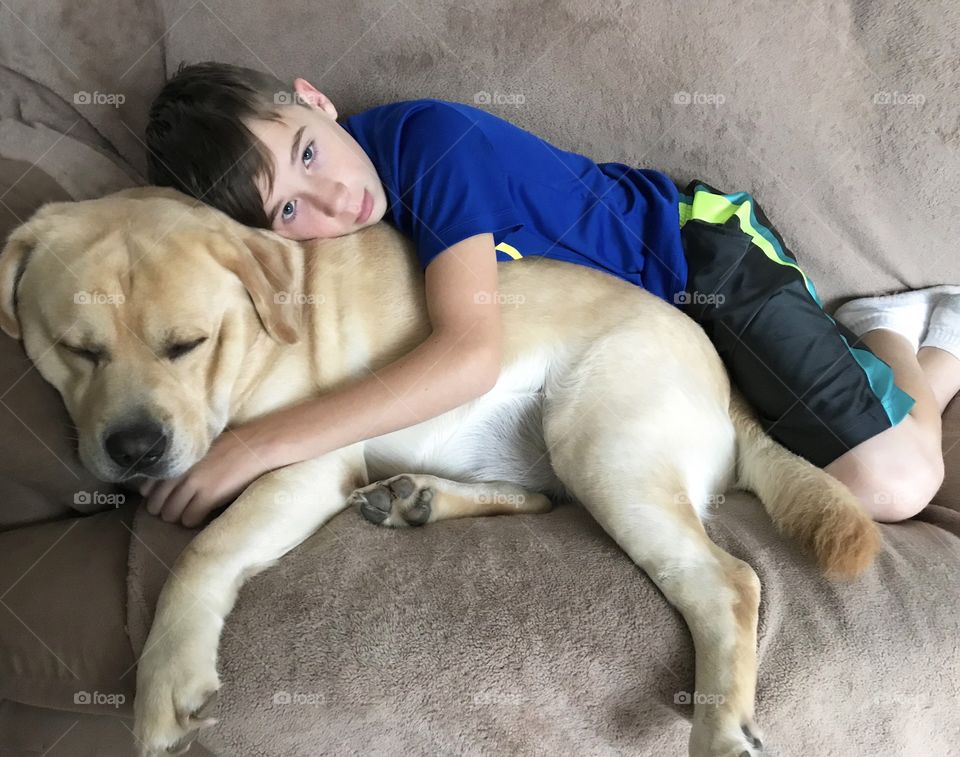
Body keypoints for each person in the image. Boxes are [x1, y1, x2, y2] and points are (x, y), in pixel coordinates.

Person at [140, 61, 960, 528]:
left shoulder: (428, 146)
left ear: (314, 99)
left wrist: (255, 447)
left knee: (894, 485)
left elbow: (468, 356)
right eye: (288, 208)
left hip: (697, 256)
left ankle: (902, 336)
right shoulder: (347, 235)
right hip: (649, 358)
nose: (331, 203)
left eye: (310, 153)